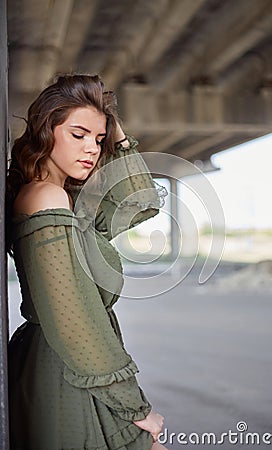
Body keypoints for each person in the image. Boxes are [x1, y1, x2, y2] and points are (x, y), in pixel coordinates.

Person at [6, 74, 168, 450]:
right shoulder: (46, 197)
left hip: (75, 364)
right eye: (78, 134)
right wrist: (134, 406)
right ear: (47, 132)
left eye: (98, 139)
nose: (92, 148)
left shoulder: (67, 201)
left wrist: (115, 129)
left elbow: (142, 203)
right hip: (70, 370)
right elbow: (73, 317)